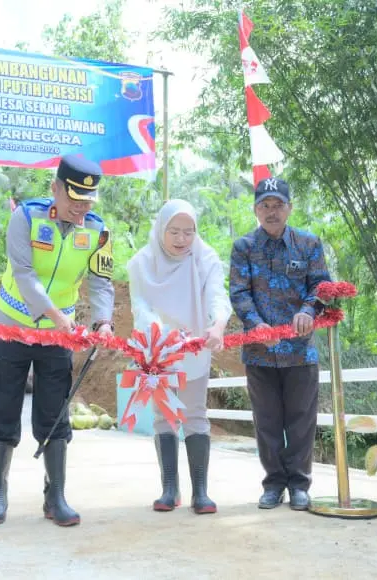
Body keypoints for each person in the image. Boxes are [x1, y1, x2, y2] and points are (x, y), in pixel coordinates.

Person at [0, 155, 115, 527]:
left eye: (88, 201)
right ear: (55, 188)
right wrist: (57, 316)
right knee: (3, 405)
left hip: (59, 335)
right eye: (74, 198)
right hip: (12, 325)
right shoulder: (26, 217)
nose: (81, 207)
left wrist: (103, 321)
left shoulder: (99, 230)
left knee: (55, 410)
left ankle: (55, 496)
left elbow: (101, 282)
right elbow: (24, 273)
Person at [229, 176, 331, 511]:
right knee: (267, 421)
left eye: (278, 205)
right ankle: (273, 484)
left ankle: (300, 485)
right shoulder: (244, 247)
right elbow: (239, 293)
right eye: (265, 205)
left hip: (301, 351)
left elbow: (322, 287)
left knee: (302, 421)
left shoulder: (308, 244)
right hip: (260, 353)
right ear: (256, 209)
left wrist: (308, 309)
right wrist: (256, 325)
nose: (272, 212)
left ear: (289, 208)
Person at [127, 199, 231, 515]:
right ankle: (169, 489)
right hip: (157, 349)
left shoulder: (205, 258)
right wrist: (161, 332)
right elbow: (140, 306)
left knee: (195, 414)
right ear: (161, 229)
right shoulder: (141, 263)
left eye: (188, 232)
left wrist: (218, 324)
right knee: (164, 417)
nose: (181, 239)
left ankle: (201, 491)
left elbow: (217, 295)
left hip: (195, 349)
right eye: (174, 231)